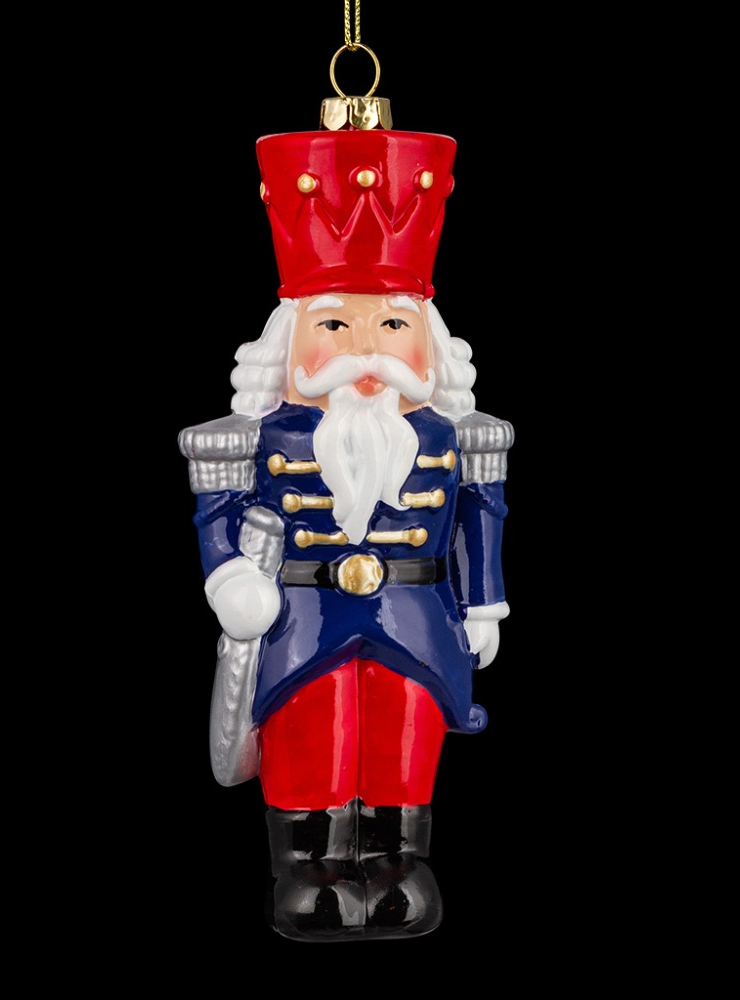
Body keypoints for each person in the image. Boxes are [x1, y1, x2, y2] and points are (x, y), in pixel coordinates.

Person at [179, 121, 513, 940]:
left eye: (392, 327)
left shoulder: (458, 438)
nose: (367, 351)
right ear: (288, 346)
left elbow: (481, 516)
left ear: (429, 347)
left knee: (405, 733)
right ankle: (310, 868)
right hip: (302, 618)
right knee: (309, 734)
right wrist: (231, 579)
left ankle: (398, 861)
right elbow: (217, 517)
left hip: (417, 615)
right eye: (334, 327)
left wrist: (484, 605)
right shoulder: (251, 439)